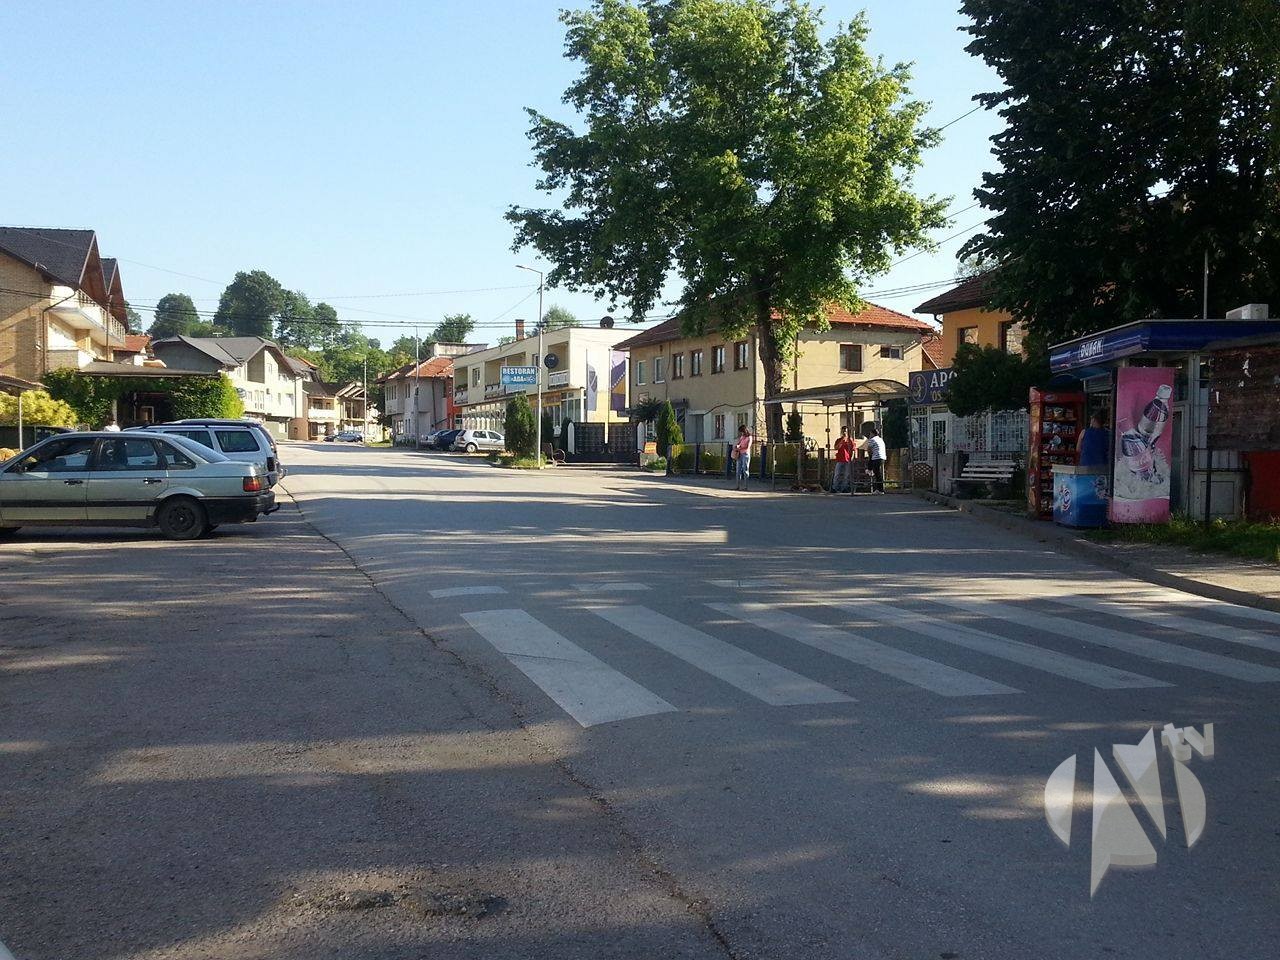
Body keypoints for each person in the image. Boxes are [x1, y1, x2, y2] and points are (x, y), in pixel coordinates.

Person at [863, 424, 886, 493]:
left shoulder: (872, 439)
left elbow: (869, 449)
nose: (870, 435)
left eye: (870, 434)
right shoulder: (880, 439)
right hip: (882, 457)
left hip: (876, 457)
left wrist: (870, 455)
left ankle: (880, 489)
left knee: (877, 473)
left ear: (872, 434)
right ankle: (870, 469)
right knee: (877, 473)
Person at [832, 426, 855, 493]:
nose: (844, 432)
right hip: (840, 459)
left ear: (847, 432)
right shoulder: (839, 440)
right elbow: (836, 448)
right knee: (837, 474)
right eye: (843, 431)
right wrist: (842, 441)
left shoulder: (850, 440)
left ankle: (844, 488)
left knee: (846, 475)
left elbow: (853, 450)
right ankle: (835, 487)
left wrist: (852, 458)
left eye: (845, 431)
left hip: (847, 459)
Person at [731, 423, 752, 490]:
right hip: (739, 454)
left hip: (745, 454)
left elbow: (747, 447)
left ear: (745, 431)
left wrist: (740, 448)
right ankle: (737, 486)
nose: (741, 433)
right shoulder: (742, 437)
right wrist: (736, 446)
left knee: (745, 470)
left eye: (742, 432)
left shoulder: (749, 437)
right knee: (738, 470)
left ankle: (746, 486)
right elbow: (739, 443)